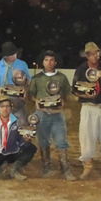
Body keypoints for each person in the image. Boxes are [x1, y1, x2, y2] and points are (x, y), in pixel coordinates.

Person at [72, 41, 101, 180]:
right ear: (87, 55)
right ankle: (88, 167)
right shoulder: (81, 70)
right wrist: (84, 95)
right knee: (87, 137)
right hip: (88, 107)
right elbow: (74, 89)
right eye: (92, 54)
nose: (95, 56)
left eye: (97, 53)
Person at [27, 50, 74, 180]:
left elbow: (67, 93)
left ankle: (65, 169)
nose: (49, 63)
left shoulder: (62, 77)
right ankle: (46, 167)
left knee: (61, 141)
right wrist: (35, 101)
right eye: (47, 60)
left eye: (52, 60)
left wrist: (64, 100)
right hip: (42, 113)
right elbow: (30, 94)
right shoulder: (36, 78)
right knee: (43, 141)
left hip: (57, 113)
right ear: (43, 62)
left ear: (56, 62)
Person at [0, 41, 30, 125]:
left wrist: (25, 90)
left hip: (18, 99)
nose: (14, 56)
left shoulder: (22, 64)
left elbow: (28, 80)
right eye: (11, 55)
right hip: (4, 98)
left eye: (14, 54)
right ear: (5, 56)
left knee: (21, 123)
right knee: (3, 123)